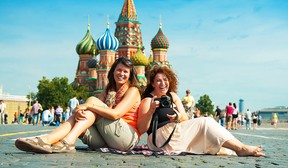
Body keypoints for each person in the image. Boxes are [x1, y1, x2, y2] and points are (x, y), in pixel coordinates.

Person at [15, 57, 141, 154]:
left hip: (126, 139)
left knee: (92, 100)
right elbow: (95, 110)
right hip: (108, 138)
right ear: (113, 71)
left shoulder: (133, 90)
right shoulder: (108, 89)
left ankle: (64, 142)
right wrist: (82, 111)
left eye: (125, 72)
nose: (122, 74)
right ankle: (48, 141)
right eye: (119, 70)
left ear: (130, 75)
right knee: (84, 113)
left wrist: (87, 106)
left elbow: (115, 114)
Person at [137, 65, 265, 156]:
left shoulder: (173, 96)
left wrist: (178, 118)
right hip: (159, 139)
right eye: (158, 80)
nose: (163, 83)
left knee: (221, 148)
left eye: (165, 80)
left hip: (176, 133)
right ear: (152, 83)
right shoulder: (148, 100)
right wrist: (151, 111)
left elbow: (185, 119)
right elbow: (142, 129)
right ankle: (241, 148)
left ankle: (239, 148)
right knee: (206, 122)